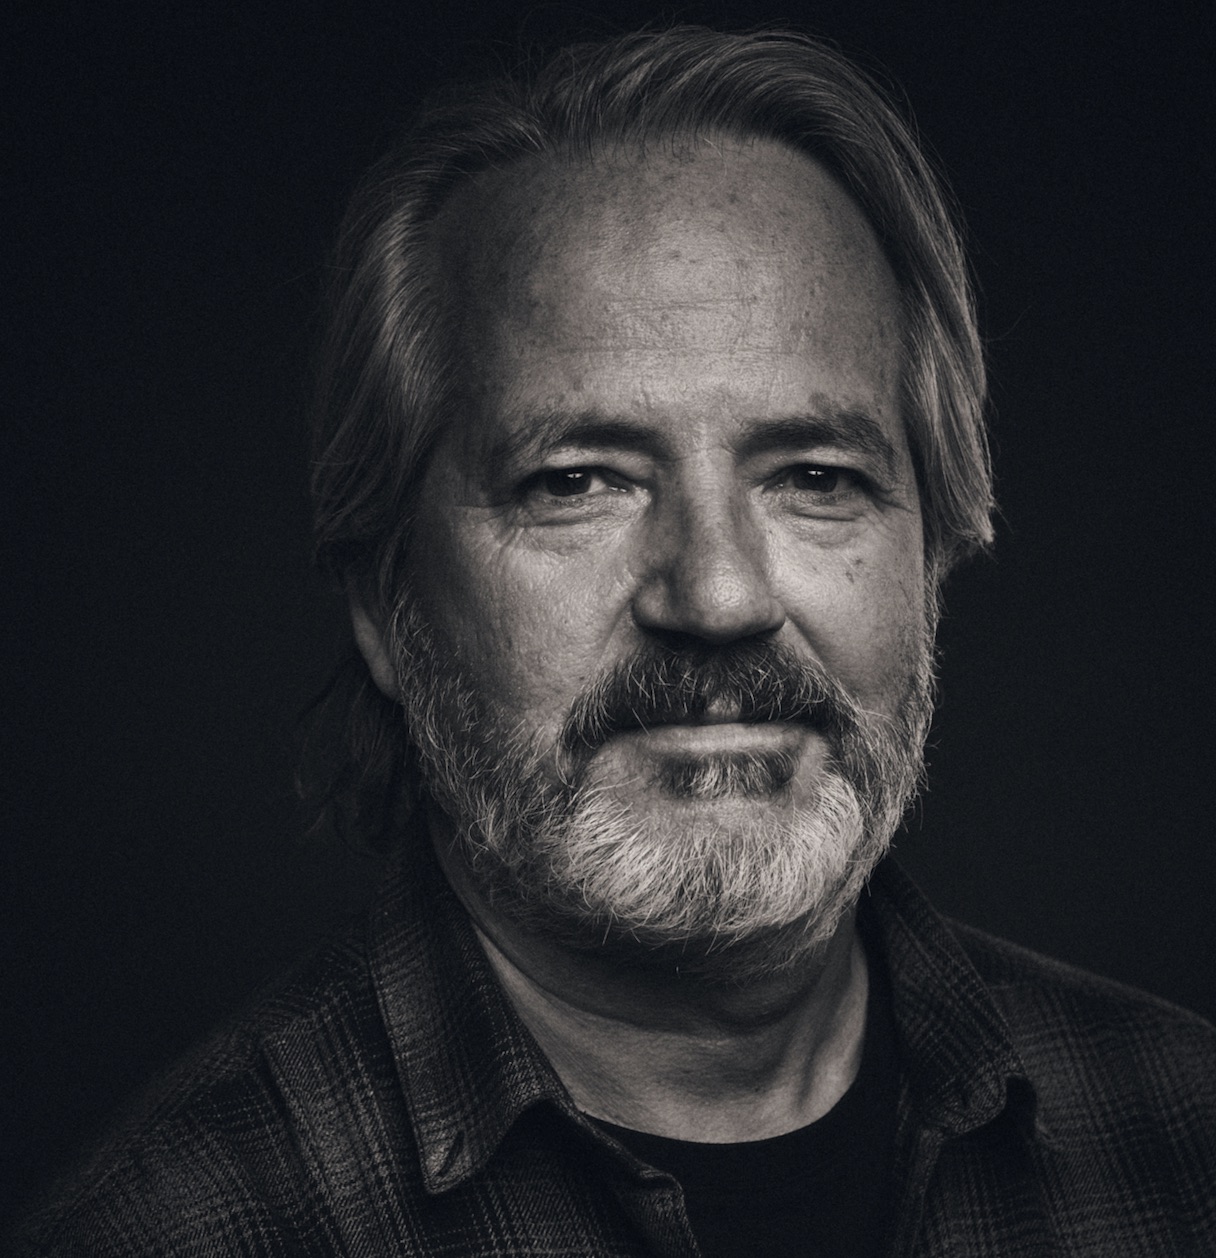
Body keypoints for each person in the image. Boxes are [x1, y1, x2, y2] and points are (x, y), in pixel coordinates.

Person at [13, 25, 1214, 1258]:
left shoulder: (1183, 1137)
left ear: (933, 551)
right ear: (384, 599)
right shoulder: (177, 1230)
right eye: (578, 480)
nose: (717, 593)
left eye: (813, 474)